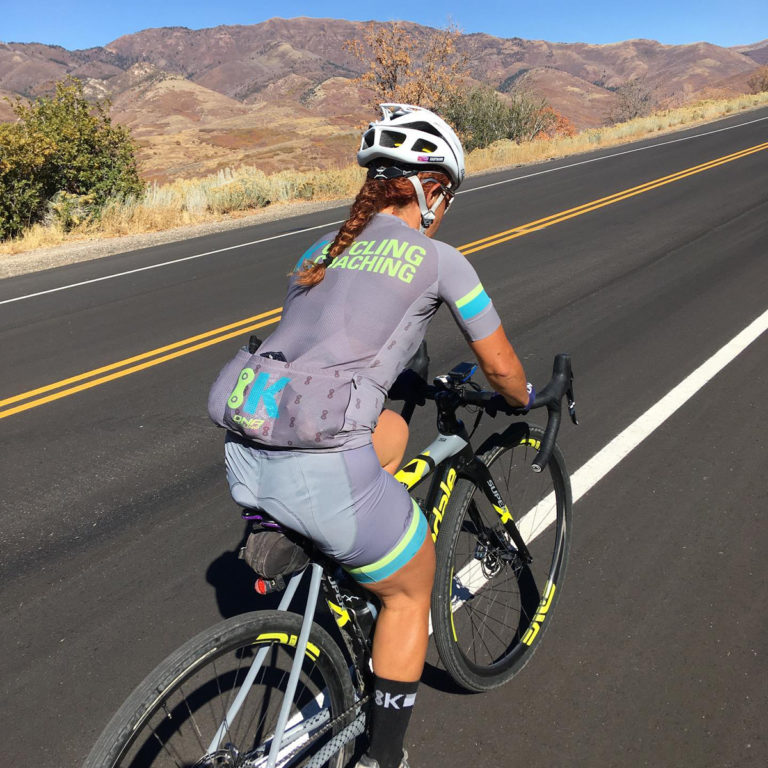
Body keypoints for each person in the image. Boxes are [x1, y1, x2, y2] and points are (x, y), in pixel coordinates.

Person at [213, 104, 531, 768]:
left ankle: (315, 548)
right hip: (321, 463)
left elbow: (325, 350)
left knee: (385, 435)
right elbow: (501, 366)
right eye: (446, 191)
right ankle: (382, 758)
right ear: (431, 188)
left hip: (248, 449)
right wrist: (524, 397)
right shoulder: (442, 261)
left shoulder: (315, 252)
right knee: (412, 588)